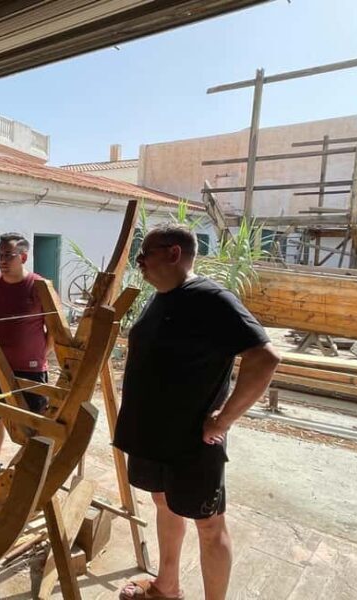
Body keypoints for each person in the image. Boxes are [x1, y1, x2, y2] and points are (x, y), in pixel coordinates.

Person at [113, 224, 279, 600]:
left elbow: (264, 357)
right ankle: (166, 586)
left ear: (173, 253)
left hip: (192, 439)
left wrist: (223, 418)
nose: (139, 261)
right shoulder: (161, 297)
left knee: (208, 523)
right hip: (152, 433)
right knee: (163, 502)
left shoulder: (210, 298)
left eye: (146, 253)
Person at [0, 233, 53, 478]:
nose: (2, 260)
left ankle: (32, 468)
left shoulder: (39, 286)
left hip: (31, 369)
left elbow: (54, 329)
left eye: (8, 255)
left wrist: (39, 354)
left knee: (34, 421)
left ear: (24, 256)